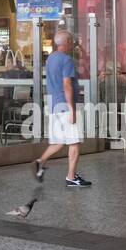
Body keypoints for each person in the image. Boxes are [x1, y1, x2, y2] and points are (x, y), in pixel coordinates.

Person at [34, 29, 91, 188]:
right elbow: (67, 86)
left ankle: (40, 162)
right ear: (65, 43)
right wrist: (72, 110)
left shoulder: (51, 59)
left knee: (59, 141)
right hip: (66, 106)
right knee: (74, 142)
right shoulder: (66, 60)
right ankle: (71, 177)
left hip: (55, 106)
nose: (73, 44)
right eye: (71, 41)